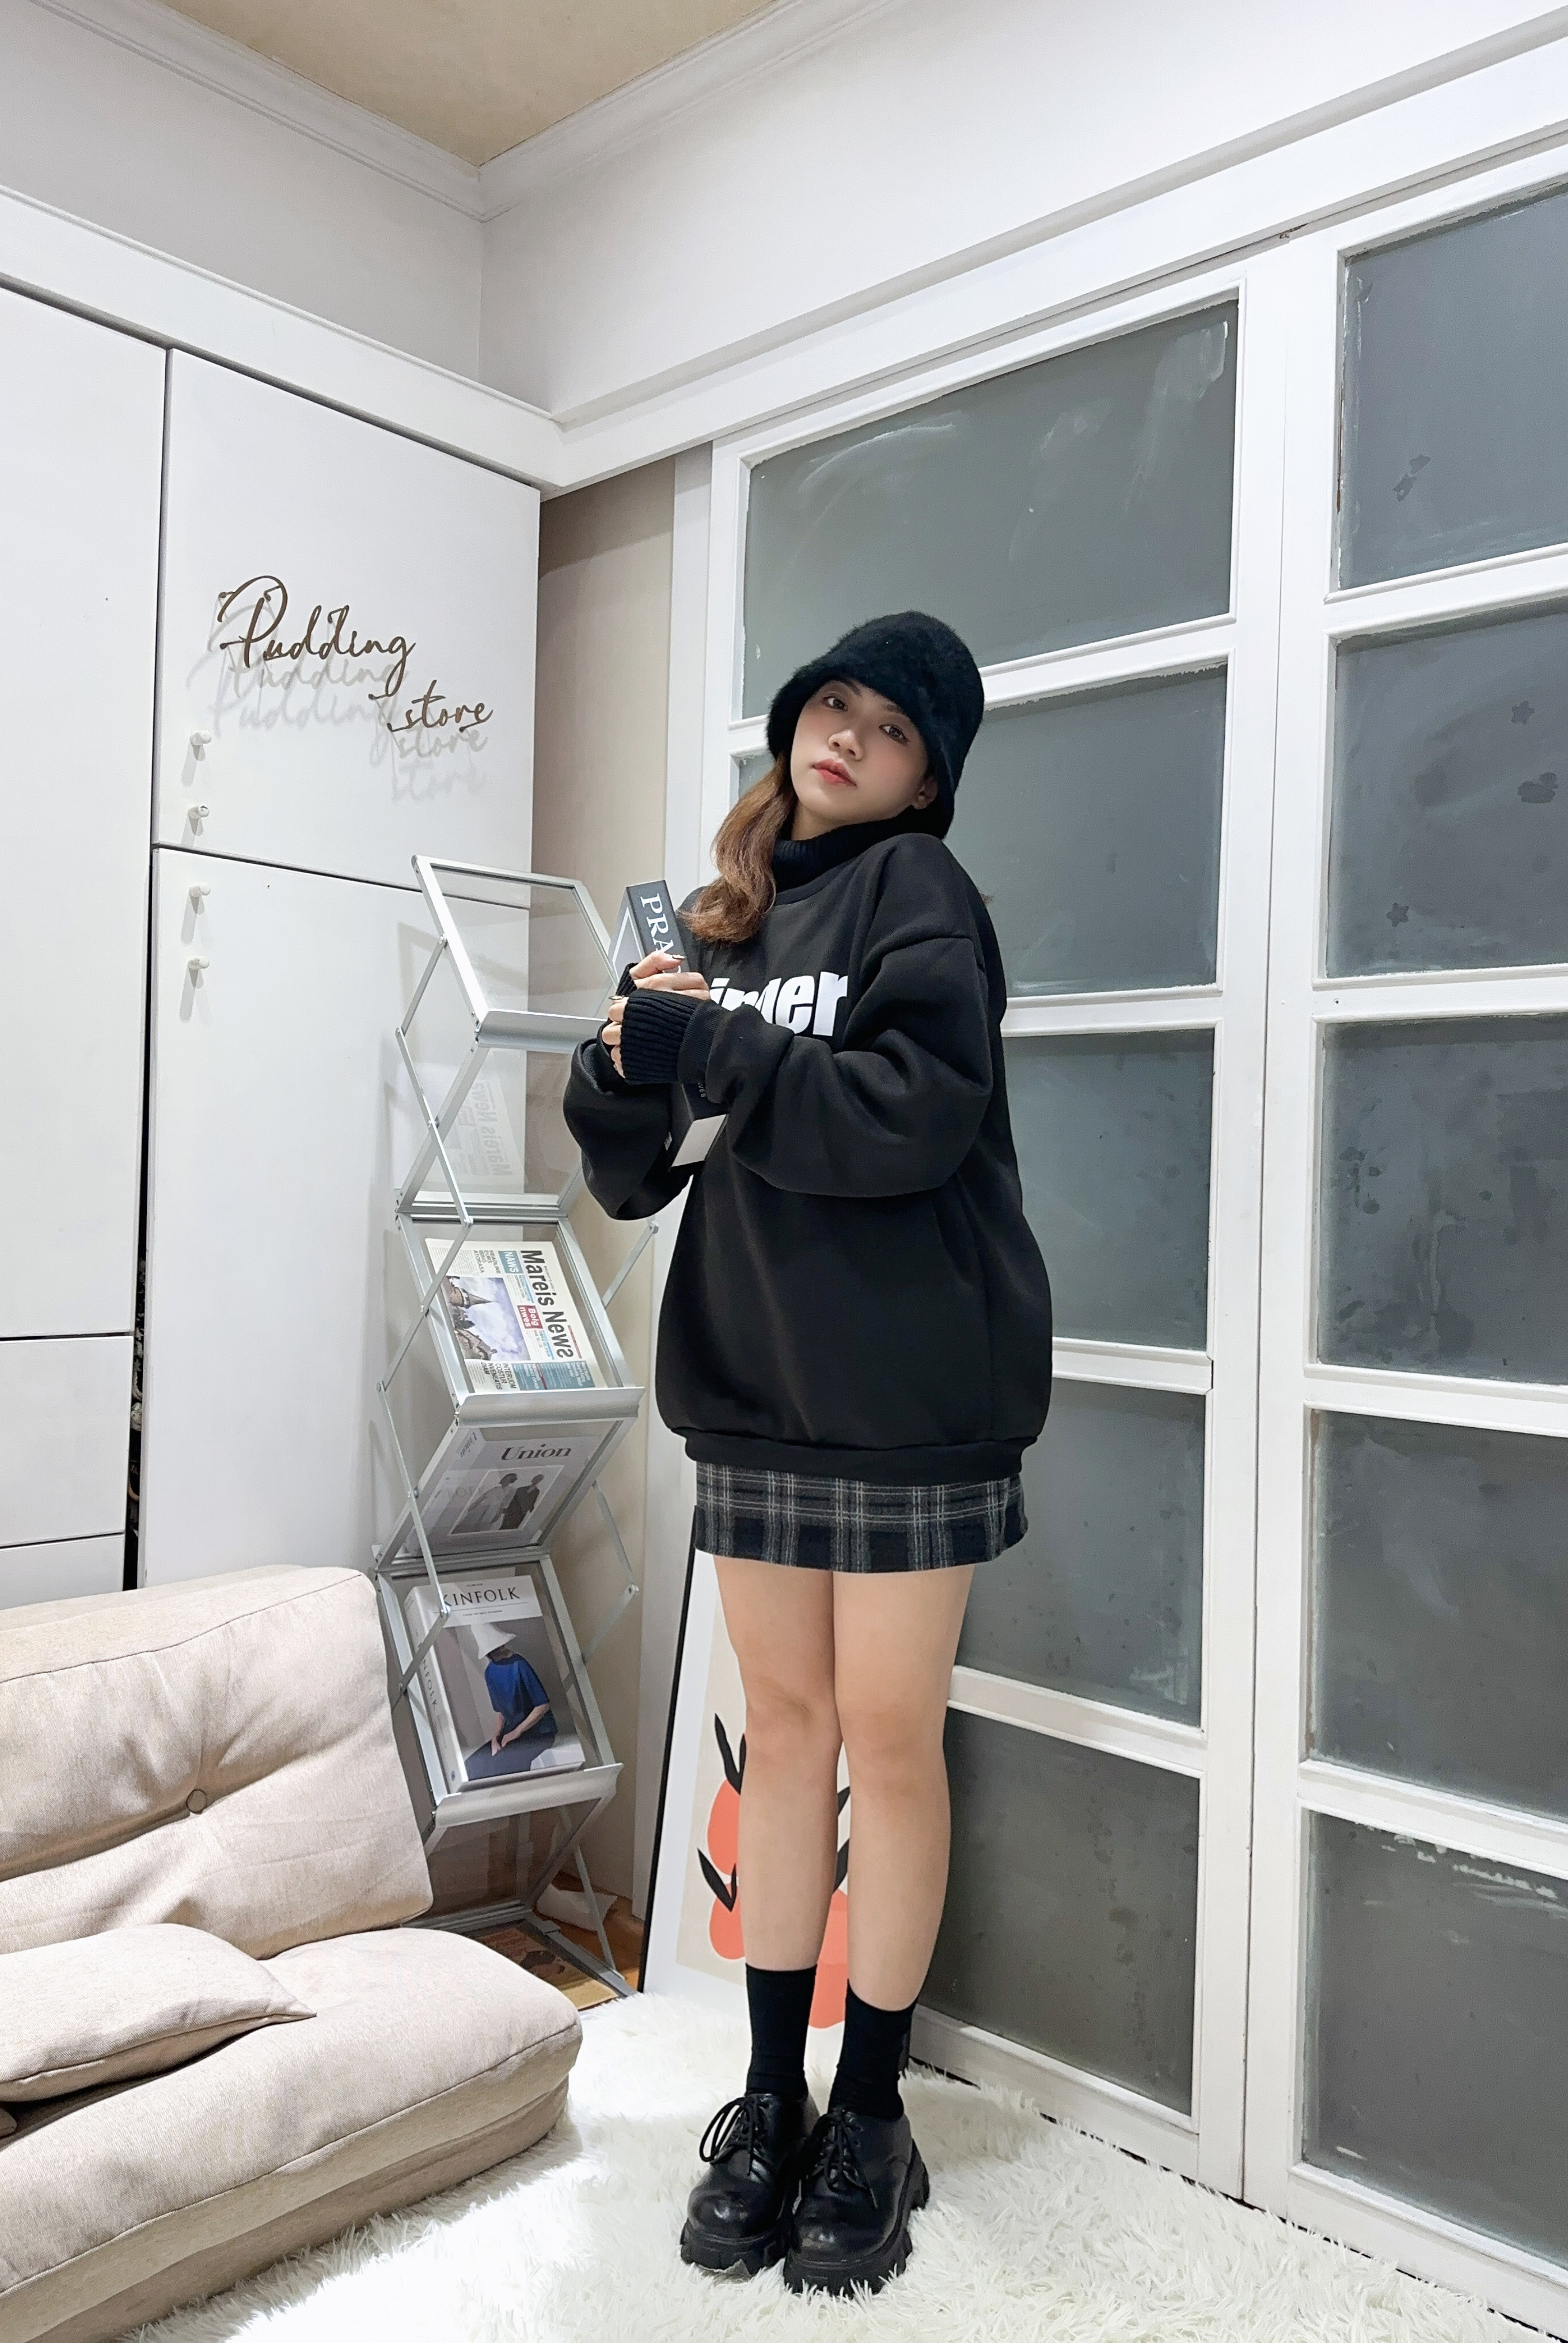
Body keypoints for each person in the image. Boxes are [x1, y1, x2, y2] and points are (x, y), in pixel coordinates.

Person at [563, 611, 1050, 2296]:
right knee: (786, 1735)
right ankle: (771, 2100)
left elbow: (910, 1118)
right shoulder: (728, 920)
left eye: (890, 728)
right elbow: (644, 1168)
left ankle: (874, 2114)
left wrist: (721, 1043)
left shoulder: (925, 899)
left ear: (927, 779)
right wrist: (622, 1063)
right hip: (761, 1383)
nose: (847, 736)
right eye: (831, 706)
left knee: (890, 1744)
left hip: (915, 1394)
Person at [463, 1635, 558, 1779]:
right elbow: (501, 1712)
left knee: (502, 1765)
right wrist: (495, 1739)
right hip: (511, 1733)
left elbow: (543, 1705)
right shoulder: (490, 1673)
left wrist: (516, 1732)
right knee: (473, 1765)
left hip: (539, 1733)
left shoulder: (519, 1664)